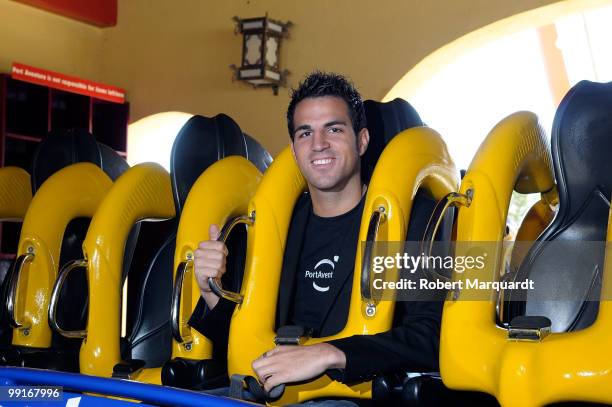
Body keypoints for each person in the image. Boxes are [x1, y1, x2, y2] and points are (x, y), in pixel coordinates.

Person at [188, 71, 443, 404]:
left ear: (361, 140)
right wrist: (211, 292)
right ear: (294, 149)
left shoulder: (420, 216)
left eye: (334, 129)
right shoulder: (278, 222)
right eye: (305, 133)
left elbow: (435, 335)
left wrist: (332, 353)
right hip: (270, 394)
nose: (319, 144)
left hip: (358, 395)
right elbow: (240, 346)